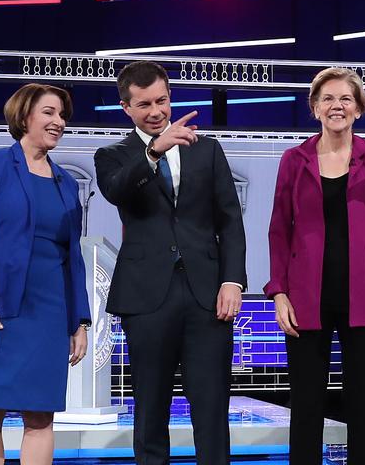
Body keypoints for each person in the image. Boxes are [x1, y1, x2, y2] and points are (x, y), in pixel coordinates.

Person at [95, 61, 247, 465]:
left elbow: (230, 219)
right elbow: (117, 191)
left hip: (207, 295)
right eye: (144, 104)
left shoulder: (208, 149)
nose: (157, 111)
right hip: (147, 298)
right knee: (150, 407)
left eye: (162, 100)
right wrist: (154, 150)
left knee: (212, 407)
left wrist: (233, 281)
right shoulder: (111, 155)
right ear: (126, 107)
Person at [265, 67, 365, 465]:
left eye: (345, 99)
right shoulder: (294, 160)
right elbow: (279, 230)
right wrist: (278, 292)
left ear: (359, 109)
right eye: (328, 99)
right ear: (315, 108)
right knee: (307, 406)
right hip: (306, 298)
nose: (337, 106)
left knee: (363, 406)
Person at [0, 83, 92, 465]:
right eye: (49, 113)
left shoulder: (67, 182)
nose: (59, 122)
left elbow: (71, 254)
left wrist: (79, 320)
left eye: (62, 116)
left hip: (50, 311)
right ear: (24, 116)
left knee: (41, 416)